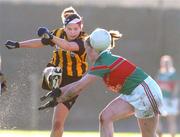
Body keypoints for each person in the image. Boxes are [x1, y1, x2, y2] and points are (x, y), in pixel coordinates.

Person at [40, 28, 164, 137]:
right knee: (105, 117)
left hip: (146, 93)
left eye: (87, 49)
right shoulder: (104, 60)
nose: (86, 53)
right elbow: (78, 84)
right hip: (133, 93)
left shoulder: (103, 62)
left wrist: (58, 100)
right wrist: (59, 91)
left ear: (93, 49)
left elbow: (78, 88)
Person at [4, 7, 88, 137]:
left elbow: (68, 46)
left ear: (81, 27)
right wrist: (18, 44)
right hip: (54, 72)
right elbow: (40, 42)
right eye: (69, 29)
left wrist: (50, 37)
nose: (73, 32)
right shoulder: (57, 34)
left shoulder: (83, 40)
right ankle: (54, 86)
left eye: (76, 29)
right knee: (54, 70)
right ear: (64, 27)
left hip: (73, 83)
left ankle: (57, 90)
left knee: (57, 124)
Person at [156, 55, 179, 137]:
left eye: (167, 62)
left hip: (171, 99)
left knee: (171, 119)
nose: (165, 64)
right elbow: (157, 85)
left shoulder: (174, 73)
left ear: (170, 63)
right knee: (157, 118)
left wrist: (172, 97)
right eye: (164, 62)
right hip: (161, 99)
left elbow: (176, 86)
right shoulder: (160, 73)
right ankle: (160, 135)